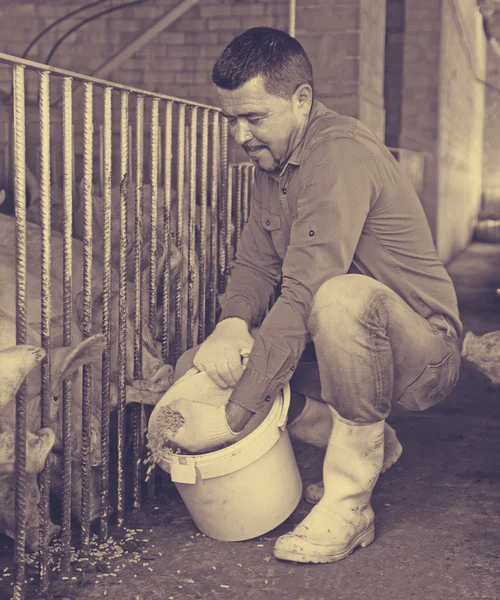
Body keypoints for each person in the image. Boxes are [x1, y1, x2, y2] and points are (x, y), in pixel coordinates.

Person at [173, 26, 462, 564]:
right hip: (347, 348)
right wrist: (232, 324)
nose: (240, 135)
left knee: (339, 299)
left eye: (254, 117)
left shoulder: (340, 155)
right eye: (231, 118)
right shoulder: (275, 163)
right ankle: (371, 441)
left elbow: (306, 289)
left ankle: (349, 505)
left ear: (301, 100)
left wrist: (235, 414)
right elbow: (257, 264)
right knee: (203, 365)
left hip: (422, 356)